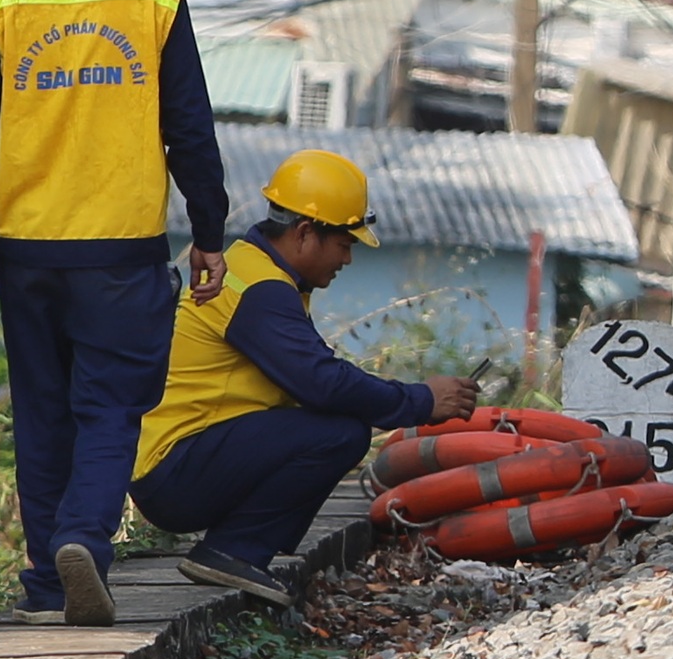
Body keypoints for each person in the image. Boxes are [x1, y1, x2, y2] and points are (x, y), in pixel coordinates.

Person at [0, 0, 229, 625]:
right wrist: (209, 229)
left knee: (41, 410)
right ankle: (82, 541)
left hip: (25, 250)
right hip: (122, 249)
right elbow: (190, 131)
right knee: (110, 407)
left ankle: (45, 584)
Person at [127, 148, 481, 607]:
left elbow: (314, 377)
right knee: (340, 432)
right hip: (176, 470)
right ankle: (232, 551)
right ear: (306, 233)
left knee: (331, 420)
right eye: (345, 243)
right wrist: (421, 401)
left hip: (175, 461)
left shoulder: (252, 270)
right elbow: (322, 382)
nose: (348, 259)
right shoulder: (260, 291)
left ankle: (236, 548)